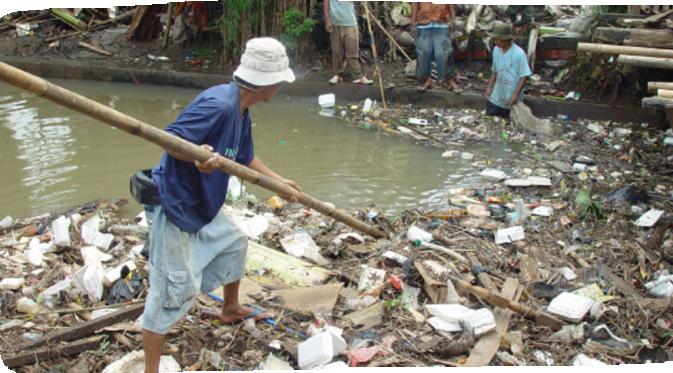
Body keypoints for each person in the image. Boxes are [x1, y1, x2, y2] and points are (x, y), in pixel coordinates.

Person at [141, 37, 301, 373]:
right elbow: (170, 140)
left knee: (234, 242)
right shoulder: (220, 105)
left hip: (202, 204)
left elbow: (245, 157)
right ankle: (150, 369)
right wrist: (197, 157)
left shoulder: (241, 111)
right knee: (172, 292)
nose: (280, 88)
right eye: (279, 82)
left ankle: (230, 309)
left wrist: (278, 182)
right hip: (176, 205)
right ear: (267, 82)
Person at [411, 2, 462, 93]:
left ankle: (450, 80)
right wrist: (413, 23)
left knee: (444, 53)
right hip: (423, 23)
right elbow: (415, 3)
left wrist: (453, 18)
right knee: (424, 53)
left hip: (441, 21)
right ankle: (426, 80)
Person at [485, 22, 532, 119]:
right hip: (498, 95)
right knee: (491, 117)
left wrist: (515, 95)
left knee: (509, 121)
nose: (494, 42)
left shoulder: (519, 54)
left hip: (511, 95)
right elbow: (495, 70)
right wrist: (489, 87)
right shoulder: (496, 50)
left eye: (496, 39)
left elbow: (525, 75)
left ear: (504, 39)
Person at [323, 0, 373, 85]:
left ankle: (358, 77)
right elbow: (326, 6)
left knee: (352, 51)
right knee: (336, 51)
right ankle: (337, 74)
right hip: (335, 24)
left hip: (350, 23)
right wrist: (327, 21)